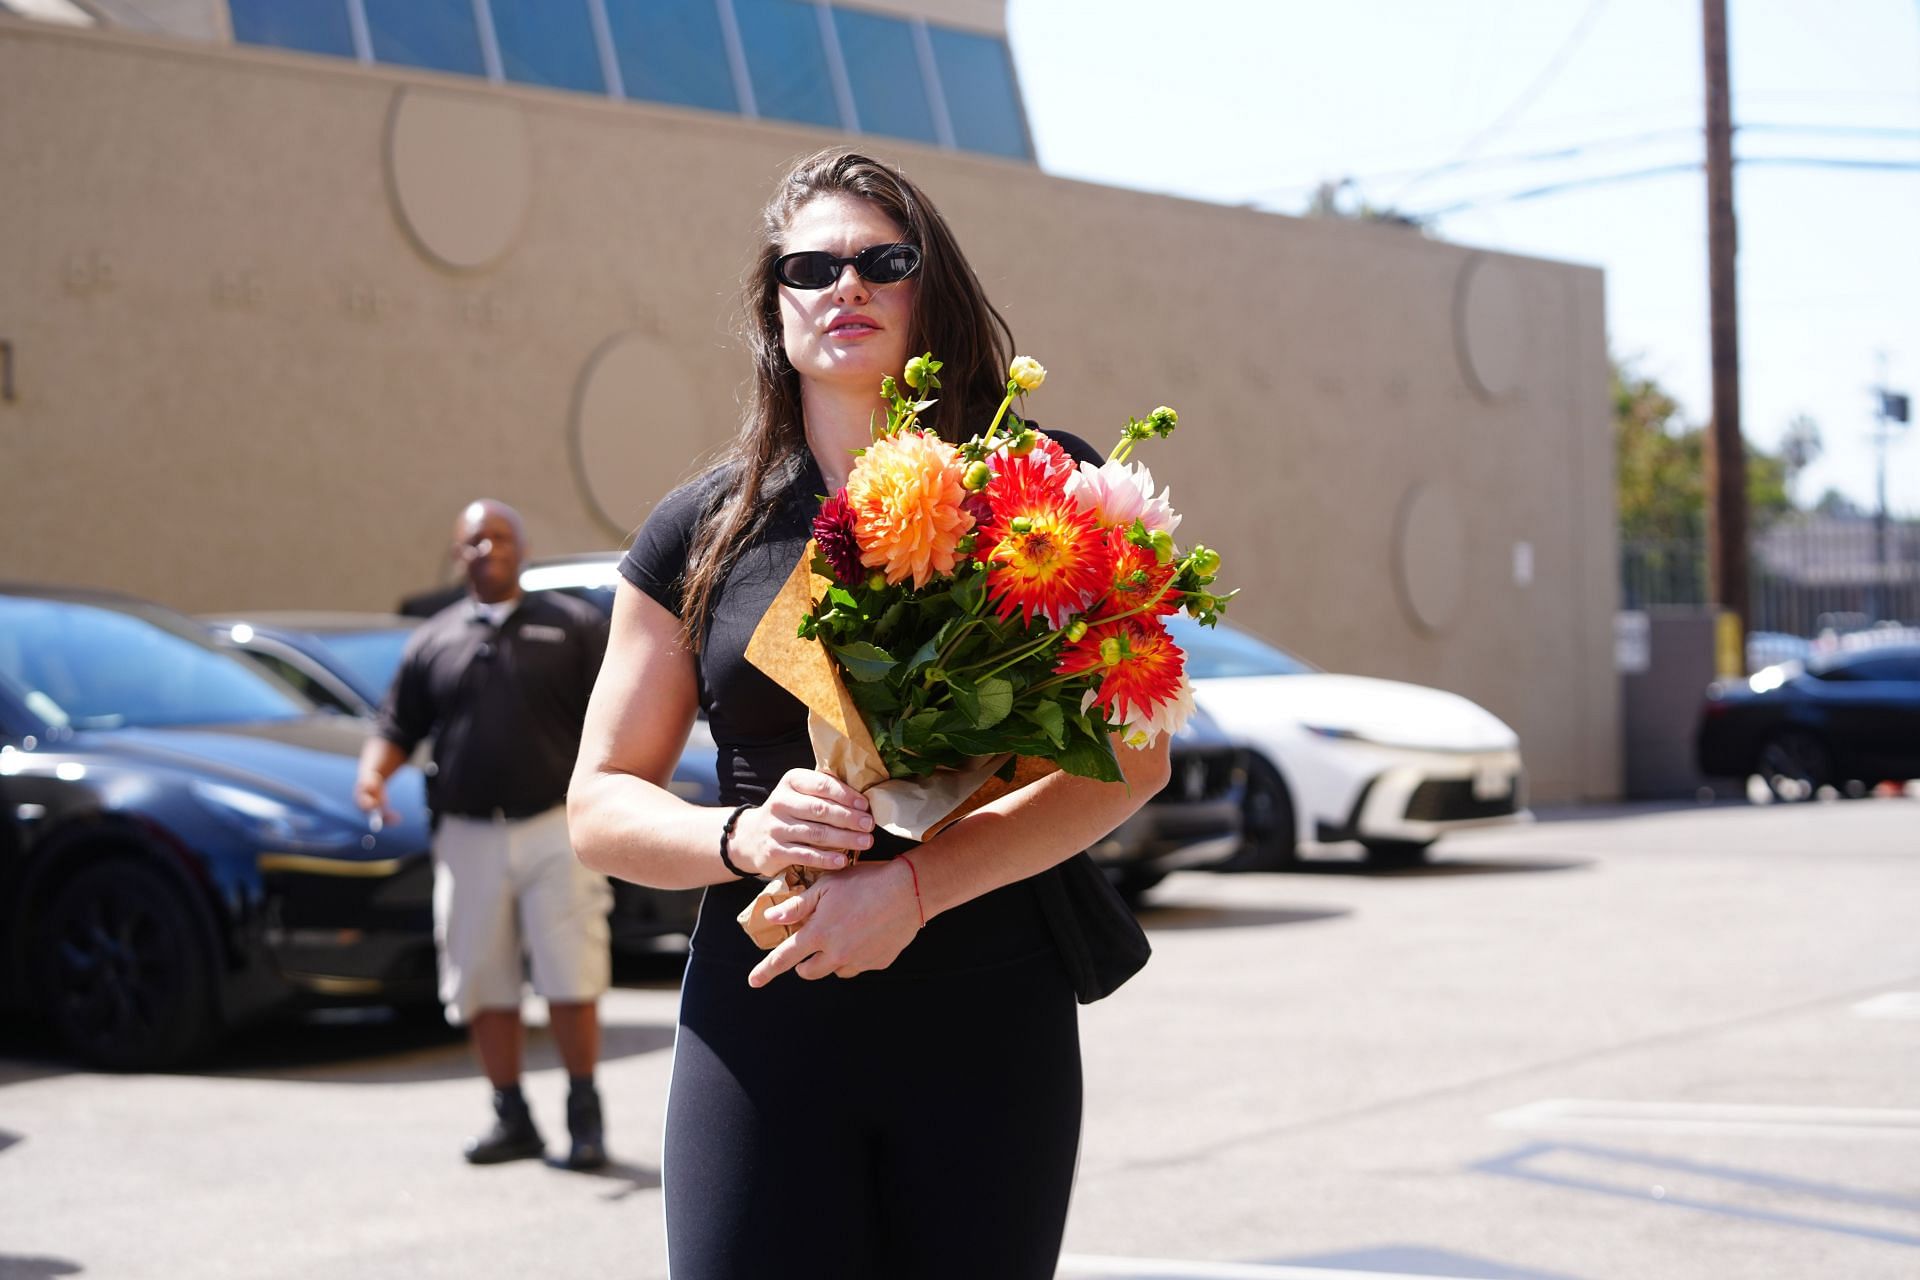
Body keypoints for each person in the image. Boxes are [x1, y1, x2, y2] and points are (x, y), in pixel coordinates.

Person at [568, 150, 1171, 1277]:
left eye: (880, 261)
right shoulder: (698, 531)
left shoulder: (1044, 488)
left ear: (925, 288)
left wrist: (914, 887)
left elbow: (1131, 768)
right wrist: (739, 835)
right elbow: (597, 802)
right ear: (774, 305)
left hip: (988, 1008)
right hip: (766, 1007)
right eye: (811, 266)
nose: (844, 286)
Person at [355, 499, 615, 1171]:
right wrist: (372, 780)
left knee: (571, 973)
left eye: (498, 537)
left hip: (557, 828)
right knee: (482, 982)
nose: (485, 549)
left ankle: (584, 1117)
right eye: (472, 541)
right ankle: (512, 1117)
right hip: (468, 838)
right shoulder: (433, 640)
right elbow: (396, 728)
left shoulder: (576, 626)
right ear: (457, 554)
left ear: (521, 550)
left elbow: (621, 715)